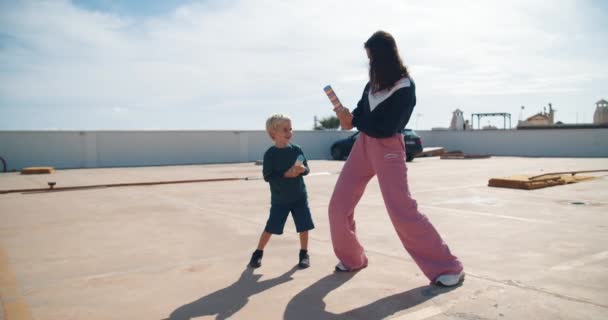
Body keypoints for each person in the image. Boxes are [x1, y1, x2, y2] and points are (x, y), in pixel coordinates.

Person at [329, 31, 464, 286]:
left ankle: (449, 267)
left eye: (373, 58)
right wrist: (347, 119)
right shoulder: (371, 86)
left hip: (389, 147)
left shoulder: (405, 87)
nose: (370, 64)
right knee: (338, 205)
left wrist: (356, 120)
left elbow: (386, 127)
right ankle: (353, 258)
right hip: (363, 145)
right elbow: (359, 117)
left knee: (401, 210)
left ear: (385, 57)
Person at [248, 114, 315, 269]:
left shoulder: (297, 149)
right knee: (271, 226)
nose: (289, 132)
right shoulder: (270, 154)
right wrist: (286, 174)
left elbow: (306, 169)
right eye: (285, 129)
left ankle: (304, 253)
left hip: (299, 196)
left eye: (290, 129)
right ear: (273, 133)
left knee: (304, 226)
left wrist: (303, 169)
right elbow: (267, 176)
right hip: (280, 199)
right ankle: (258, 252)